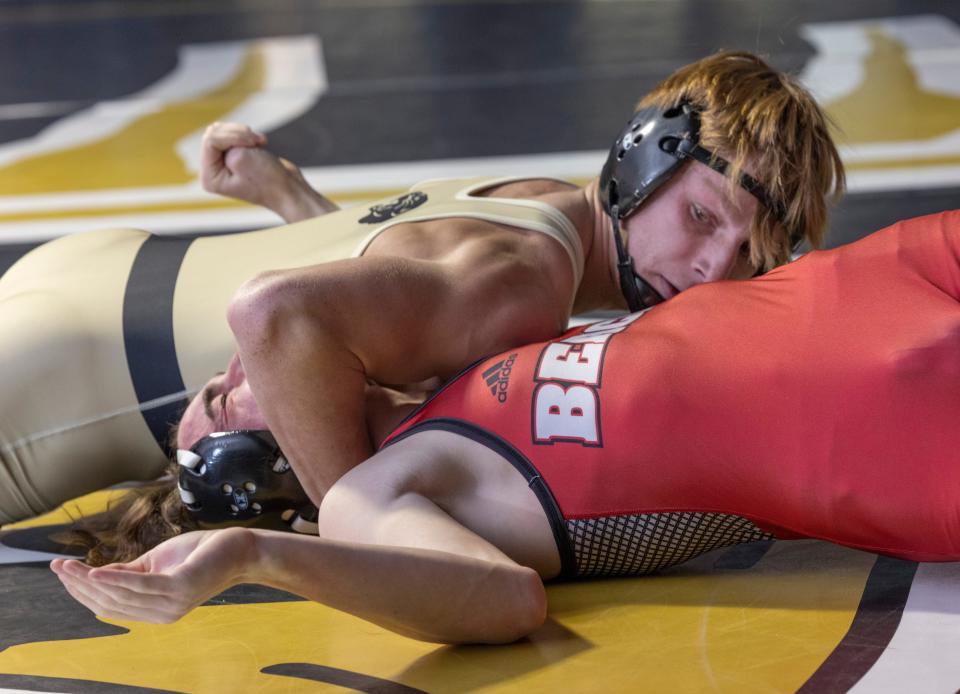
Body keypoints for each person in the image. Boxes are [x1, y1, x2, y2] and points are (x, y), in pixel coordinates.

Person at [0, 50, 842, 525]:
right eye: (703, 219)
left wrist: (289, 198)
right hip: (62, 390)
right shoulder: (525, 284)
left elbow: (387, 287)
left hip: (97, 279)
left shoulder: (537, 208)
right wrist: (357, 524)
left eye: (746, 256)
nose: (710, 269)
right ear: (643, 161)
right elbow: (274, 312)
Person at [52, 209, 960, 645]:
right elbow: (502, 601)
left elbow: (372, 277)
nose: (230, 372)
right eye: (222, 403)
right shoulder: (371, 496)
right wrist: (253, 556)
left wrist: (280, 189)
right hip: (868, 425)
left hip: (864, 280)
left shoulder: (432, 370)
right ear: (267, 469)